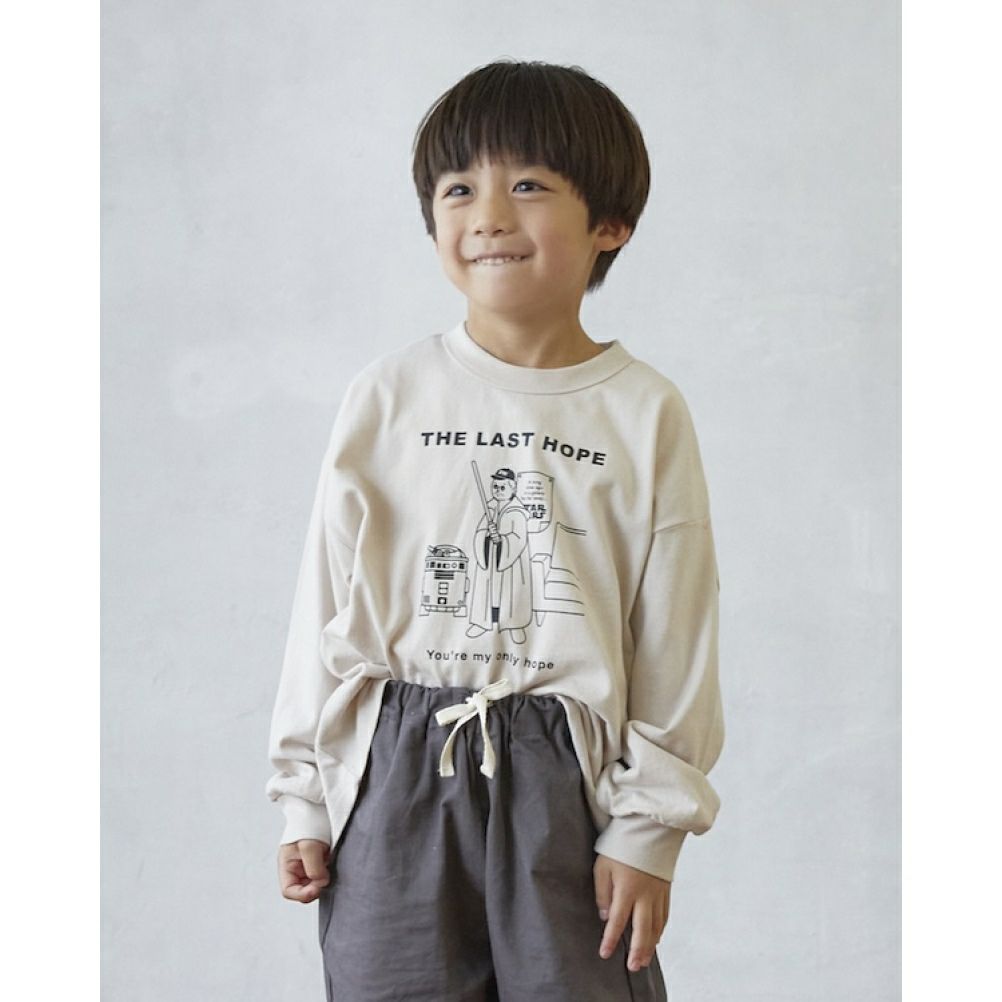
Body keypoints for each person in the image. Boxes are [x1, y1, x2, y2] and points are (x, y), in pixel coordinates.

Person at [266, 58, 725, 1002]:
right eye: (458, 189)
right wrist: (305, 797)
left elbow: (675, 632)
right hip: (393, 771)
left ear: (610, 223)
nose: (487, 215)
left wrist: (650, 827)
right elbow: (324, 601)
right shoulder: (388, 396)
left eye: (528, 186)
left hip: (566, 780)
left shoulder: (643, 411)